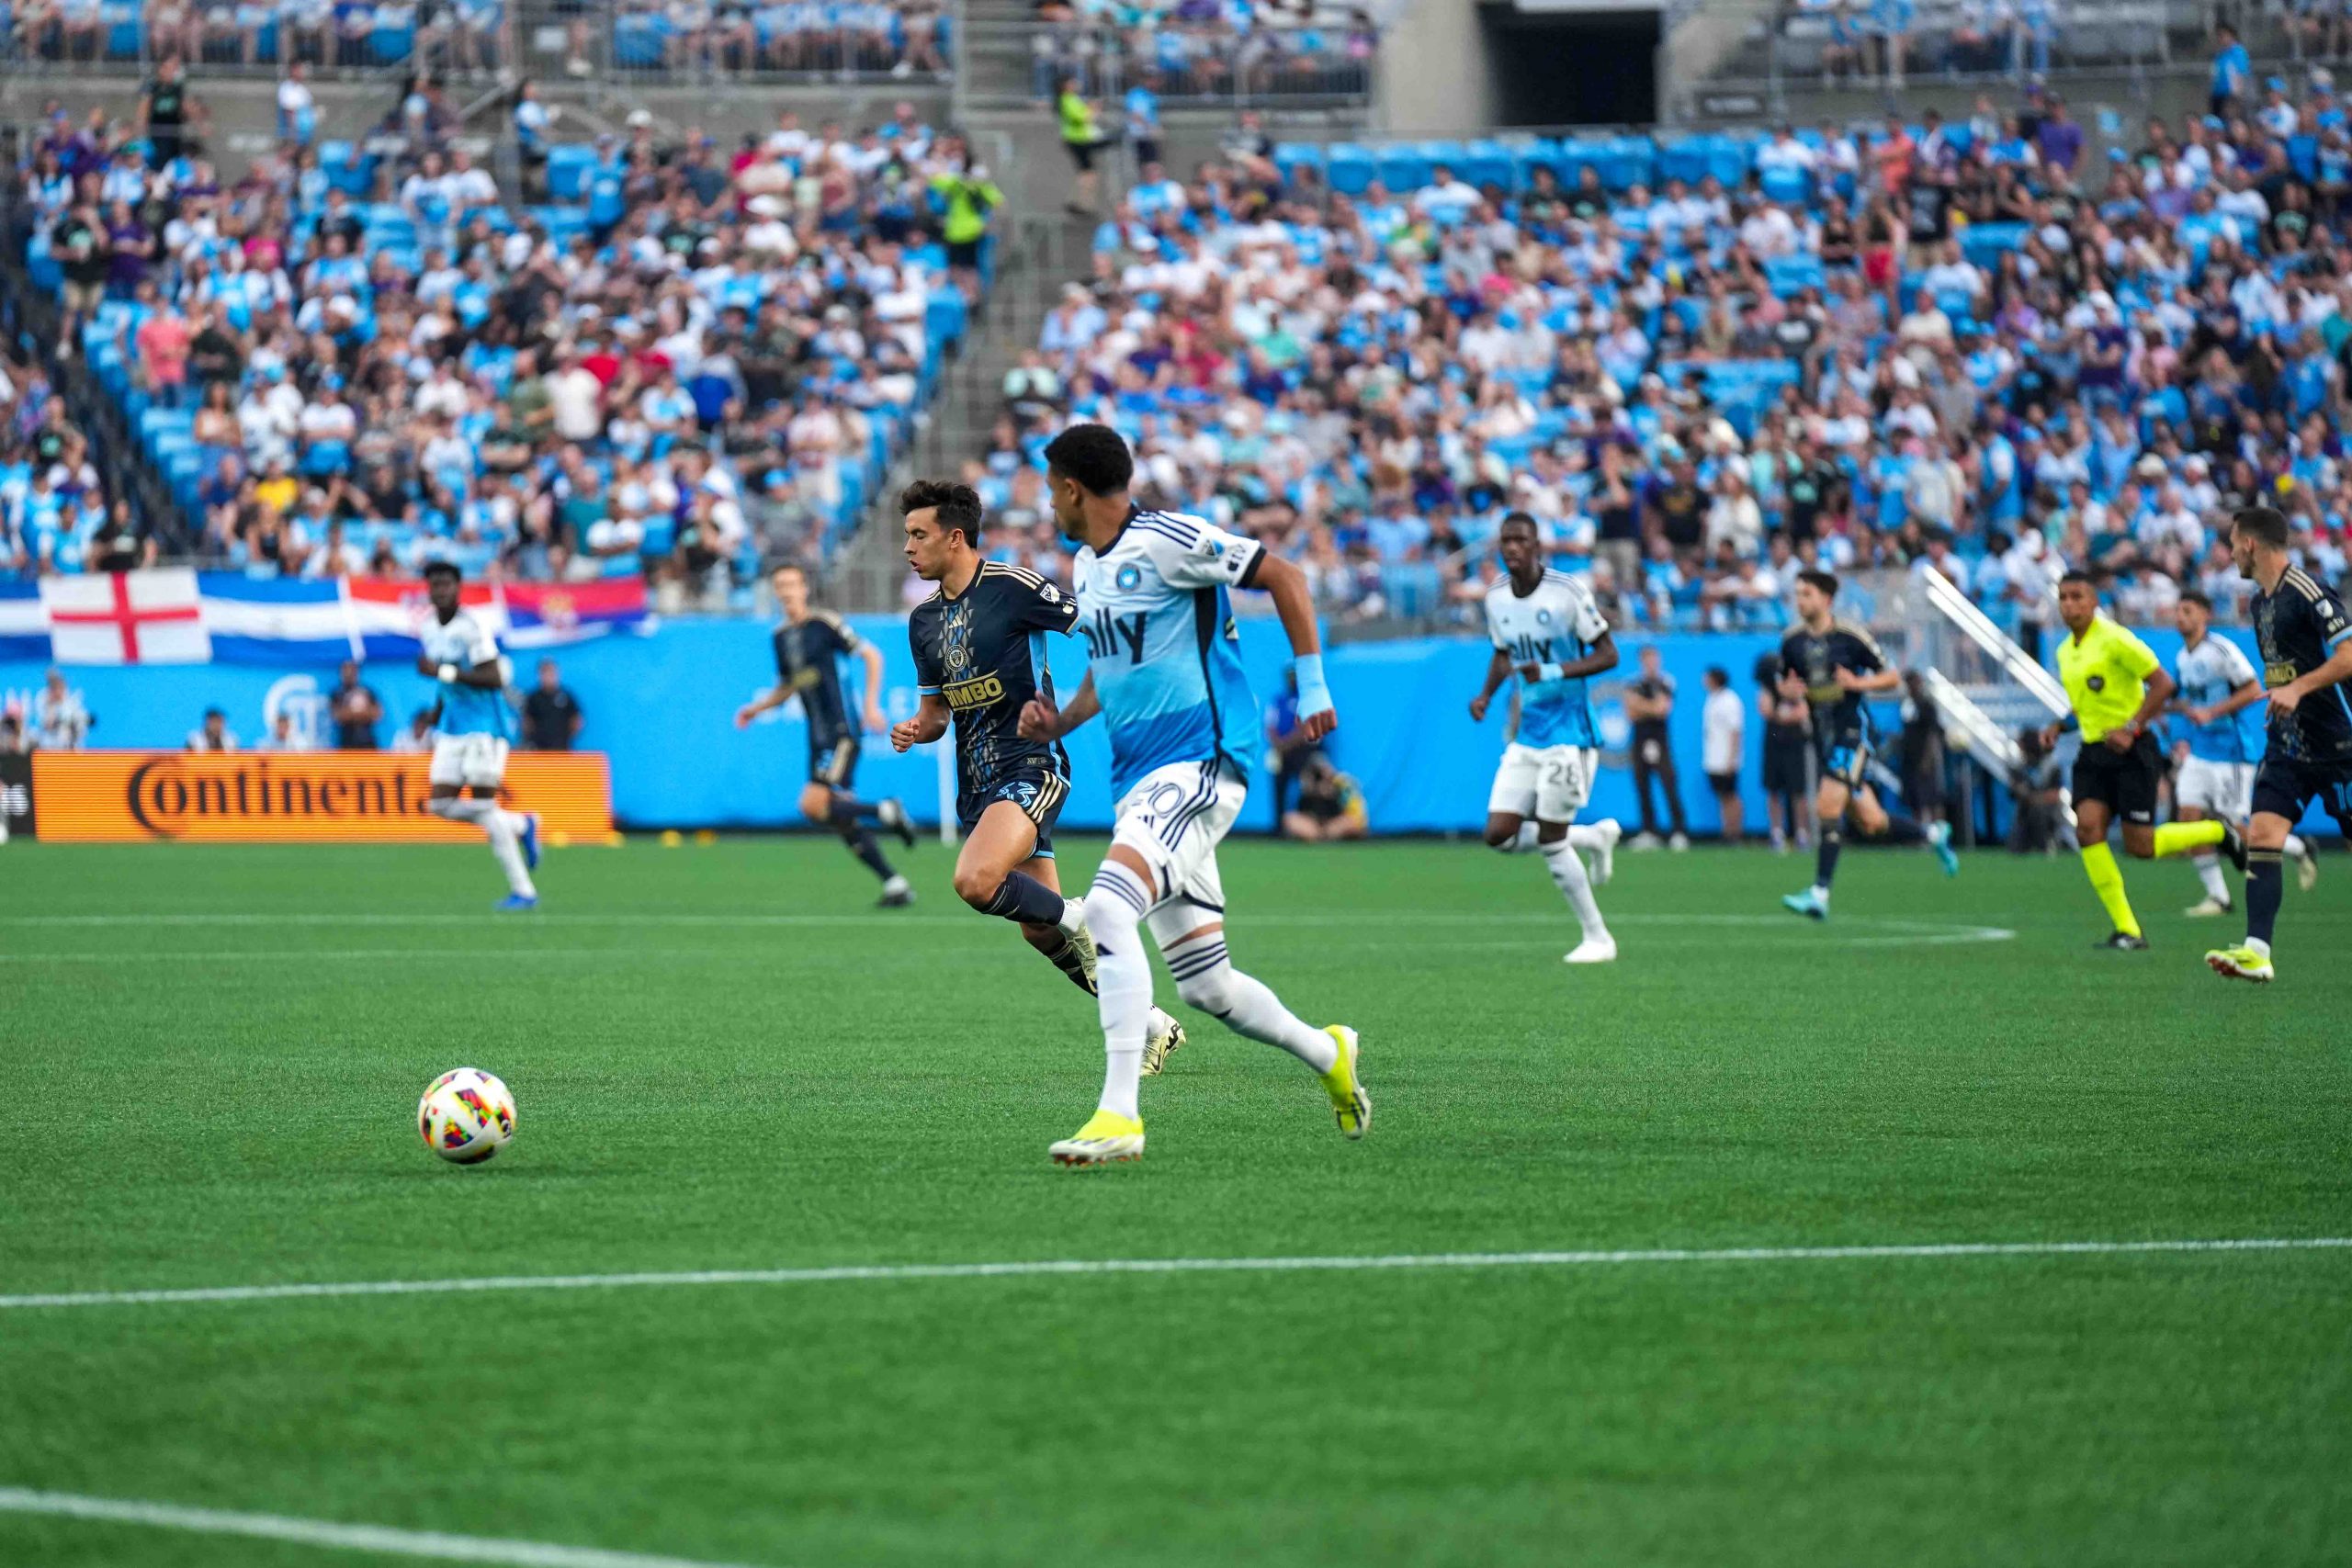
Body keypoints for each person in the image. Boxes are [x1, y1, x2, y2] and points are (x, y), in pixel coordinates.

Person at [1016, 423, 1369, 1166]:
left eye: (1051, 488)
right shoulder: (1087, 564)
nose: (1049, 502)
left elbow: (1288, 577)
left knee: (1109, 905)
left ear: (1074, 488)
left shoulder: (1171, 538)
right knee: (1209, 986)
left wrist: (1312, 684)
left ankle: (1118, 1116)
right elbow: (1108, 670)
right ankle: (1329, 1052)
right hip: (1142, 781)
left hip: (1203, 763)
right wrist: (1062, 719)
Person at [888, 479, 1184, 1070]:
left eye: (918, 535)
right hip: (978, 785)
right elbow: (935, 714)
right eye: (905, 536)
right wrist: (914, 730)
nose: (908, 547)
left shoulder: (1014, 586)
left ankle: (1083, 915)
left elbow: (1096, 625)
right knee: (1038, 932)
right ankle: (1152, 1022)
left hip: (1030, 766)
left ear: (955, 536)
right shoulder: (922, 622)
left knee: (975, 881)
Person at [2037, 571, 2241, 952]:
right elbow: (2085, 706)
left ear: (2095, 600)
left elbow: (2164, 684)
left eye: (2077, 596)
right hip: (2093, 751)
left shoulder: (2114, 638)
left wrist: (2131, 728)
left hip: (2133, 750)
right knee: (2088, 830)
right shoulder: (2065, 651)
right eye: (2063, 598)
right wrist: (2058, 726)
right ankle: (2127, 929)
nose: (2069, 604)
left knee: (2141, 847)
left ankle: (2217, 832)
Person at [1467, 512, 1623, 964]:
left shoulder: (1567, 592)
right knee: (1500, 834)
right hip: (1529, 732)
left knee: (1552, 837)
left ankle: (1598, 937)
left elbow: (1609, 654)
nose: (1512, 547)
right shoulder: (1496, 597)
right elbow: (1503, 654)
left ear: (1537, 547)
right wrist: (1485, 695)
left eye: (1521, 540)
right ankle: (1591, 838)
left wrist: (1553, 670)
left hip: (1570, 733)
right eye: (1506, 541)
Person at [2206, 507, 2352, 984]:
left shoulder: (2307, 591)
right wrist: (2283, 691)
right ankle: (2257, 951)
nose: (2229, 553)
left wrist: (2298, 689)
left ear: (2250, 544)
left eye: (2231, 542)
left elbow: (2349, 656)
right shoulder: (2259, 603)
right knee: (2264, 834)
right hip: (2287, 746)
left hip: (2338, 745)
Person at [1778, 570, 1958, 919]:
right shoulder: (1792, 642)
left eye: (1807, 594)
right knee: (1871, 822)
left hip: (1853, 733)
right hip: (1823, 737)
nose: (1800, 601)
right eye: (1797, 594)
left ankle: (1819, 894)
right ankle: (1933, 834)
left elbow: (1892, 677)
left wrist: (1857, 684)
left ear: (1827, 600)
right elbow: (1786, 683)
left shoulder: (1850, 637)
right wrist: (1789, 692)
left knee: (1827, 806)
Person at [737, 563, 914, 907]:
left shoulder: (824, 623)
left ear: (805, 588)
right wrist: (755, 709)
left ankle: (884, 810)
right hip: (817, 737)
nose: (786, 590)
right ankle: (895, 883)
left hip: (841, 730)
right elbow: (788, 686)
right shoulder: (780, 637)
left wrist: (871, 705)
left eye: (792, 583)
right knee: (838, 816)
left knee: (812, 803)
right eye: (780, 584)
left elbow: (871, 655)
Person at [2169, 589, 2316, 918]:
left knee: (2237, 830)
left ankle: (2298, 847)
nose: (2181, 617)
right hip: (2200, 752)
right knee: (2189, 820)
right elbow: (2185, 700)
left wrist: (2212, 713)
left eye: (2188, 610)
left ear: (2205, 615)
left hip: (2231, 754)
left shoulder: (2220, 650)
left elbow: (2252, 688)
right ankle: (2219, 897)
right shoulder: (2183, 657)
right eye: (2178, 611)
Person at [416, 560, 541, 910]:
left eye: (446, 584)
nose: (440, 590)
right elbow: (444, 681)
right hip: (453, 726)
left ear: (458, 588)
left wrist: (440, 671)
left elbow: (493, 678)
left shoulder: (472, 627)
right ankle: (521, 824)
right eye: (435, 584)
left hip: (485, 726)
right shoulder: (428, 628)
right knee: (440, 805)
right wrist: (435, 718)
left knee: (486, 808)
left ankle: (524, 892)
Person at [1623, 644, 1689, 850]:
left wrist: (1641, 705)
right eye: (1647, 660)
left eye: (1654, 659)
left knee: (1668, 783)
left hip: (1660, 740)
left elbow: (1662, 709)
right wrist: (1648, 707)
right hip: (1639, 739)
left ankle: (1679, 831)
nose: (1651, 664)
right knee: (1642, 784)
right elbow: (1630, 713)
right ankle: (1648, 831)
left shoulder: (1665, 681)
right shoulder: (1632, 683)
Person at [1755, 651, 1812, 852]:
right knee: (1773, 790)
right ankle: (1776, 832)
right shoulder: (1767, 689)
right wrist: (1783, 713)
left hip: (1795, 744)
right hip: (1774, 744)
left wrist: (1784, 710)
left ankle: (1802, 833)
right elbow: (1766, 710)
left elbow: (1801, 712)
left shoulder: (1796, 688)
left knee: (1798, 791)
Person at [1702, 665, 1745, 844]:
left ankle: (1736, 831)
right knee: (1722, 795)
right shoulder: (1712, 698)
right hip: (1714, 758)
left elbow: (1736, 731)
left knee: (1731, 795)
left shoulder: (1730, 700)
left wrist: (1732, 758)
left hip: (1726, 758)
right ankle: (1726, 830)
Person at [1283, 754, 1369, 842]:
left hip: (1336, 821)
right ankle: (1319, 836)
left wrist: (1333, 790)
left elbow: (1358, 818)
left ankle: (1326, 836)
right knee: (1291, 821)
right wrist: (1310, 790)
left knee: (1350, 823)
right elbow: (1292, 813)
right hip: (1313, 824)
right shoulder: (1302, 784)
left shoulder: (1342, 783)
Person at [1054, 77, 1104, 216]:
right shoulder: (1067, 100)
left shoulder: (1073, 99)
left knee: (1087, 173)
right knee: (1087, 174)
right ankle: (1081, 203)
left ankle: (1083, 202)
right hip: (1076, 140)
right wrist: (1094, 109)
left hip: (1082, 139)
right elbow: (1082, 118)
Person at [522, 659, 584, 751]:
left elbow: (577, 721)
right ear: (539, 675)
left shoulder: (566, 696)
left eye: (551, 672)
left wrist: (566, 736)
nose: (548, 676)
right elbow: (526, 722)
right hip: (539, 751)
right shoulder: (533, 698)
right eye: (545, 672)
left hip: (562, 749)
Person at [329, 659, 382, 750]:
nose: (349, 674)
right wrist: (362, 712)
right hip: (347, 744)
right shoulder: (336, 694)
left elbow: (377, 714)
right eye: (345, 670)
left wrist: (351, 713)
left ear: (357, 672)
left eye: (352, 670)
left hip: (368, 743)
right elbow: (337, 716)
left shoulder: (368, 692)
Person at [32, 670, 91, 751]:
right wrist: (51, 706)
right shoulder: (42, 698)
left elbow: (81, 726)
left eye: (61, 687)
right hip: (49, 746)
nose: (58, 691)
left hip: (69, 747)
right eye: (55, 688)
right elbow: (47, 725)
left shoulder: (71, 701)